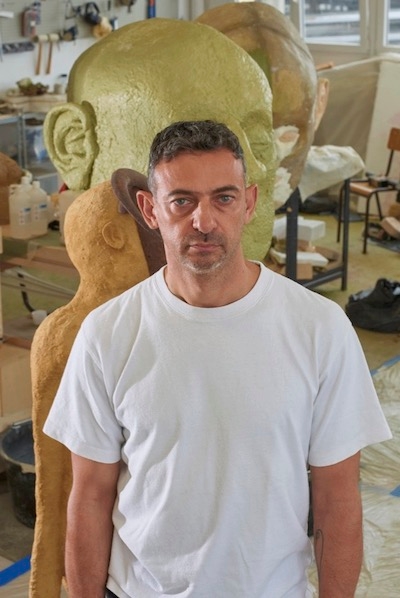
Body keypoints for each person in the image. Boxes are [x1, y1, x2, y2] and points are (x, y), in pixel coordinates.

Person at [44, 120, 392, 598]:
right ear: (149, 209)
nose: (203, 221)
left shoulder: (319, 328)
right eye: (181, 201)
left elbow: (337, 499)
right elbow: (89, 496)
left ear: (248, 204)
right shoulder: (107, 333)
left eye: (223, 198)